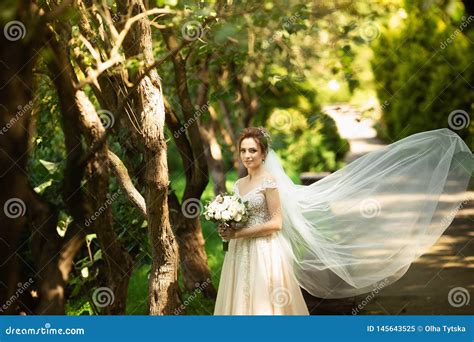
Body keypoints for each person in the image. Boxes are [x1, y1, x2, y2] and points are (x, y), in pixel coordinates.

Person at [214, 126, 473, 315]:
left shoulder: (269, 182)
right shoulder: (238, 183)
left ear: (262, 153)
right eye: (243, 151)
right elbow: (244, 217)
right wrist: (229, 226)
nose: (247, 155)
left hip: (264, 252)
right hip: (239, 251)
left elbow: (276, 223)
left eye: (253, 150)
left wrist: (239, 234)